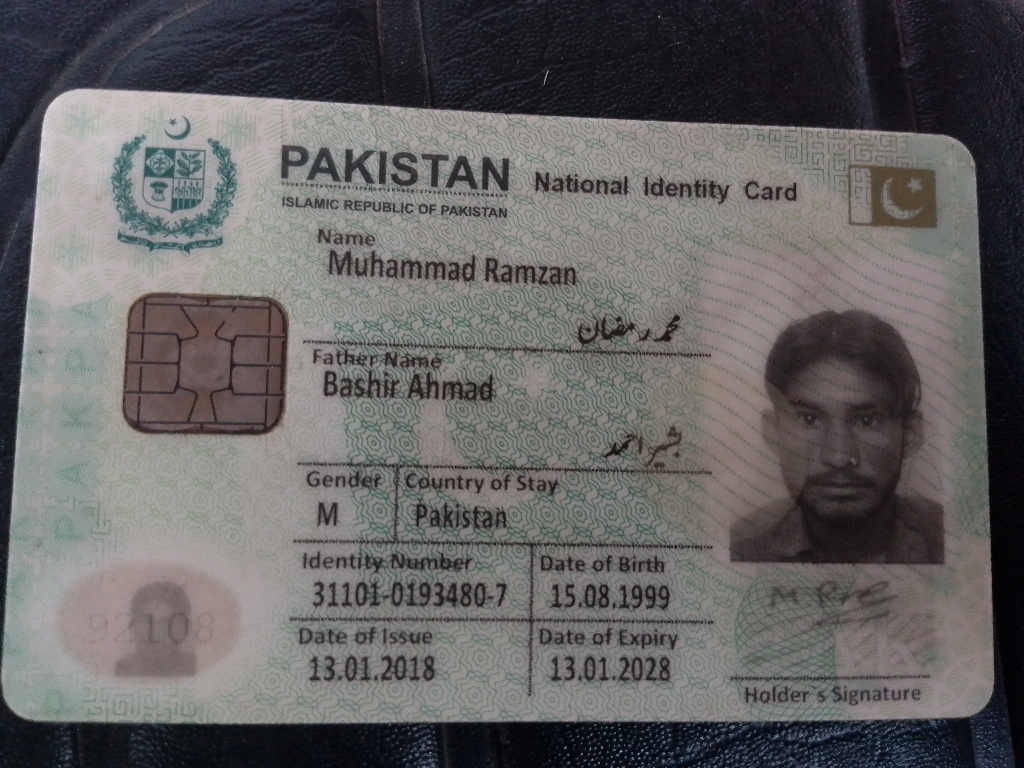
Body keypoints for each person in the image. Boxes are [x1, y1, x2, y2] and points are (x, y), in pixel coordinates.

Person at [731, 310, 943, 564]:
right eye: (809, 420)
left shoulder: (958, 542)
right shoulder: (736, 547)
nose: (839, 457)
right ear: (772, 432)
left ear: (910, 434)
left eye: (866, 421)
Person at [115, 581, 197, 677]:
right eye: (147, 622)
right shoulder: (123, 670)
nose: (156, 635)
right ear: (132, 627)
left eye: (167, 623)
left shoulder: (197, 668)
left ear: (184, 628)